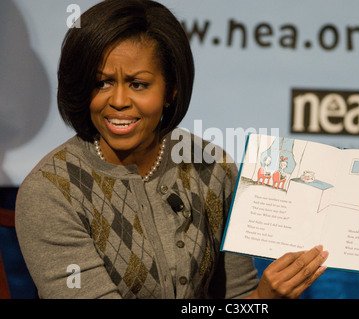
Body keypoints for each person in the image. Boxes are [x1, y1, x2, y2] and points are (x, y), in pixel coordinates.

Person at [15, 0, 328, 299]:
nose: (119, 100)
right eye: (102, 83)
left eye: (138, 84)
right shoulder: (49, 192)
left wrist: (264, 298)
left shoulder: (212, 166)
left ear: (171, 89)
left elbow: (239, 298)